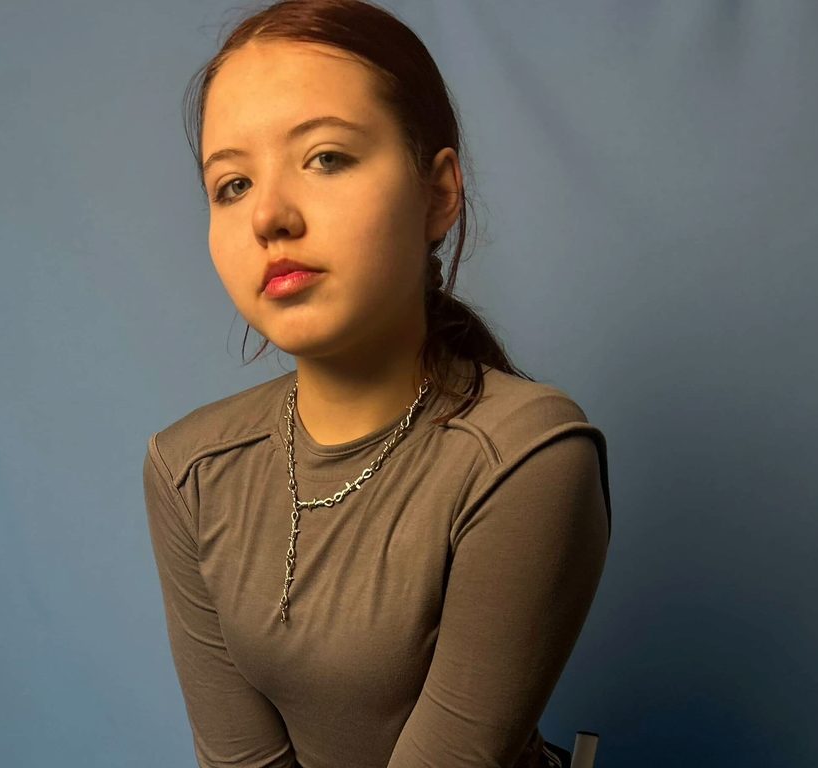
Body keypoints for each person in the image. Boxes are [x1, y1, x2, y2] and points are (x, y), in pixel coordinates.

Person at [143, 1, 612, 766]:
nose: (268, 216)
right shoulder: (189, 469)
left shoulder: (527, 457)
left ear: (440, 193)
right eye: (232, 184)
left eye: (326, 157)